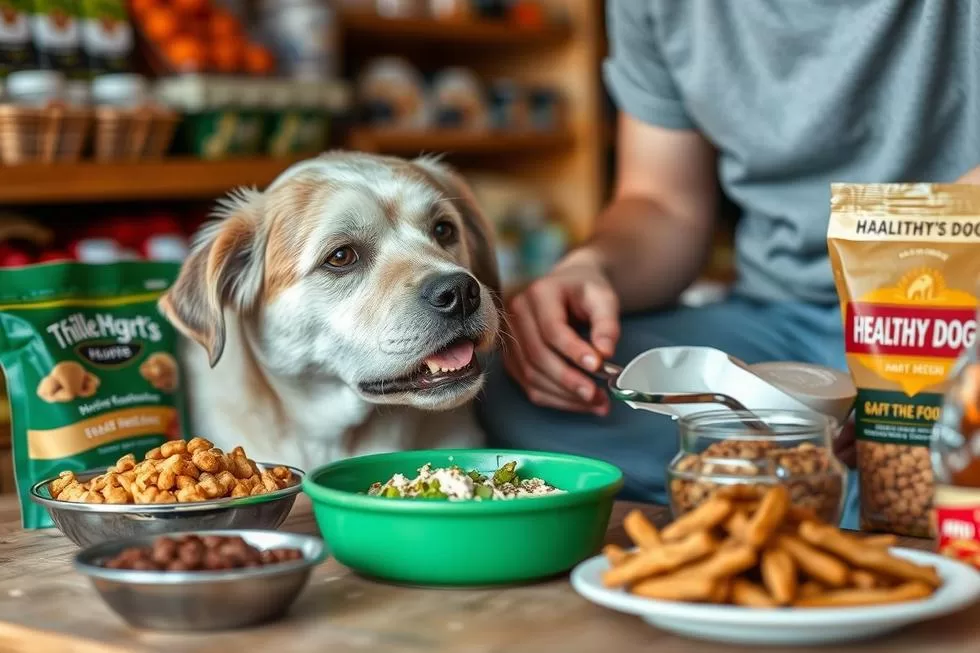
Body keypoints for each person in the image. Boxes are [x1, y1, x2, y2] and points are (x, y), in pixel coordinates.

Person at [476, 1, 980, 529]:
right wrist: (591, 267)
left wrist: (901, 365)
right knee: (511, 387)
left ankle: (824, 489)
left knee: (919, 442)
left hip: (949, 318)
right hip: (777, 323)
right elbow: (664, 203)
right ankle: (859, 488)